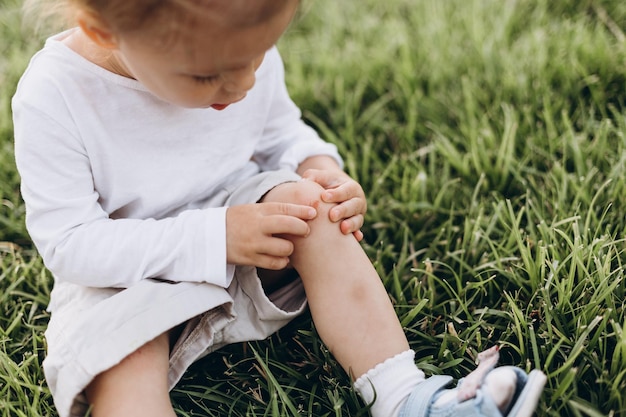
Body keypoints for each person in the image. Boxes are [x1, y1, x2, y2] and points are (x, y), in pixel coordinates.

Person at [12, 0, 547, 416]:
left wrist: (322, 169)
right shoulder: (54, 94)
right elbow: (72, 244)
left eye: (258, 56)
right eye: (208, 75)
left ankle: (404, 393)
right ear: (106, 28)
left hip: (246, 232)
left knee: (310, 208)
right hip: (126, 268)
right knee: (119, 360)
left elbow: (279, 131)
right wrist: (214, 236)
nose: (244, 85)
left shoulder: (234, 40)